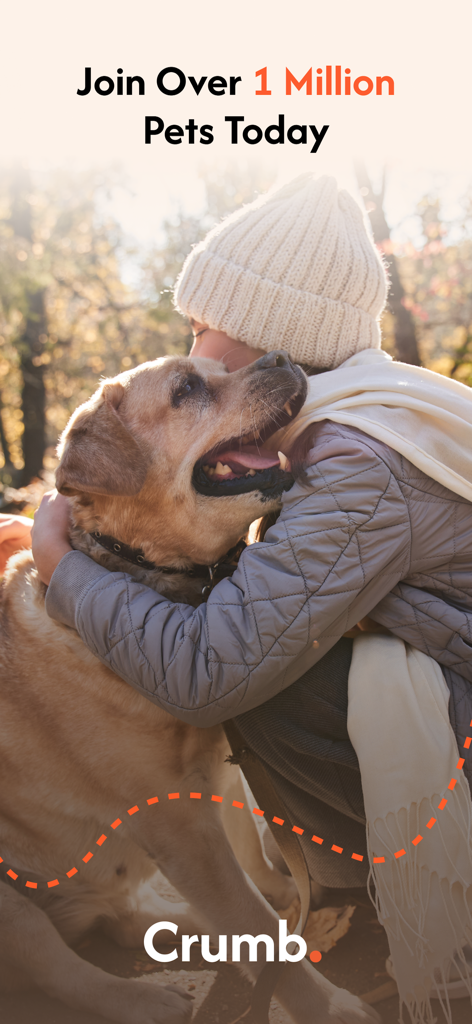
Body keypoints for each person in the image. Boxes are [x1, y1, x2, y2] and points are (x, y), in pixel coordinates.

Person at [3, 174, 472, 1013]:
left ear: (265, 333)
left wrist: (62, 568)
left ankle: (371, 910)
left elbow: (217, 671)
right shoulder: (367, 414)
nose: (198, 349)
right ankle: (341, 907)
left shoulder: (356, 460)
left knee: (261, 675)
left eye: (207, 330)